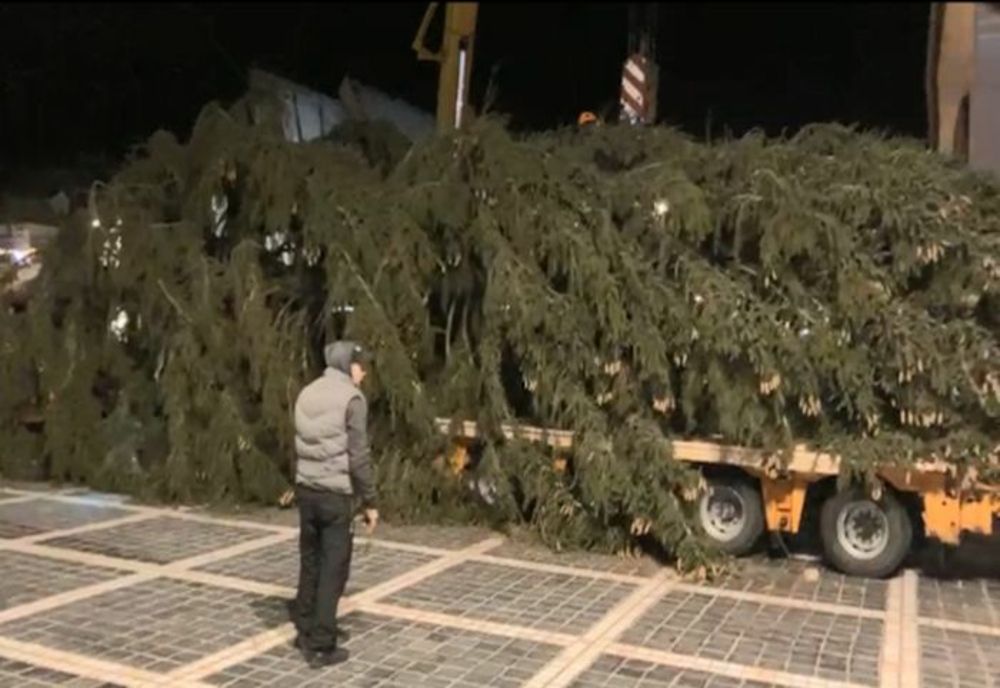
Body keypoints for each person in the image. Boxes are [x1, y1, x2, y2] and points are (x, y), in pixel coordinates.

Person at [290, 340, 378, 667]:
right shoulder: (352, 400)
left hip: (307, 489)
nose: (364, 372)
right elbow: (358, 457)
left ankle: (305, 626)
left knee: (310, 562)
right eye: (360, 365)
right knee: (333, 567)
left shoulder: (307, 392)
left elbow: (300, 443)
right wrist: (370, 500)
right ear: (346, 365)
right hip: (335, 494)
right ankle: (322, 643)